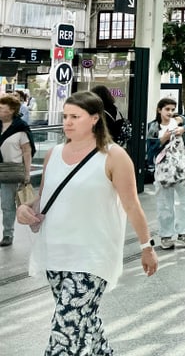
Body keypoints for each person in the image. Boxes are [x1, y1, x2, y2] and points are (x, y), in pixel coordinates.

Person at [17, 90, 157, 354]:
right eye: (65, 116)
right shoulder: (54, 154)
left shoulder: (114, 156)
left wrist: (146, 247)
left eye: (75, 117)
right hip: (56, 253)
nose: (67, 122)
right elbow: (42, 199)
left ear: (94, 119)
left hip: (93, 256)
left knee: (66, 329)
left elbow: (132, 205)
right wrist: (26, 209)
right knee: (84, 321)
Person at [149, 97, 185, 249]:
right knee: (165, 204)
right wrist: (163, 139)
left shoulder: (178, 121)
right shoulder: (153, 127)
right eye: (167, 109)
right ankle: (166, 236)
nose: (169, 112)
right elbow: (150, 150)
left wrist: (184, 128)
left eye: (172, 109)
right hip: (163, 172)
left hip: (180, 169)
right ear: (159, 110)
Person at [0, 94, 33, 246]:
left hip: (10, 172)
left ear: (12, 110)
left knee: (7, 205)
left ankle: (8, 234)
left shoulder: (20, 128)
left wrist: (27, 174)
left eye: (1, 108)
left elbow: (27, 152)